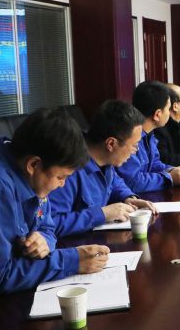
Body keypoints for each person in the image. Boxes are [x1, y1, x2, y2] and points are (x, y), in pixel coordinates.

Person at [0, 108, 108, 296]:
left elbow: (47, 227)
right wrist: (72, 261)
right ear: (33, 164)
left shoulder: (33, 178)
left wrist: (44, 241)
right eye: (60, 177)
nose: (62, 185)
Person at [49, 100, 157, 237]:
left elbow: (115, 183)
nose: (135, 151)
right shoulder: (68, 170)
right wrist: (101, 215)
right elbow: (51, 224)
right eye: (134, 145)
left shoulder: (106, 160)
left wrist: (128, 197)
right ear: (111, 143)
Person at [118, 81, 180, 193]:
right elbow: (132, 182)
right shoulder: (129, 138)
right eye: (168, 109)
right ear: (157, 114)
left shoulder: (150, 133)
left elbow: (154, 164)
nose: (169, 113)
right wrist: (169, 178)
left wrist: (172, 170)